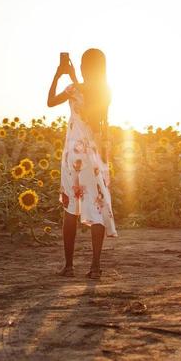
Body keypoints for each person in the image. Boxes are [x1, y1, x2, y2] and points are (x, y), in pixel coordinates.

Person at [47, 49, 116, 278]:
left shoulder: (77, 88)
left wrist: (62, 76)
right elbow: (100, 125)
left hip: (73, 155)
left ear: (85, 67)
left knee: (70, 209)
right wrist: (64, 76)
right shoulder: (105, 92)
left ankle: (69, 267)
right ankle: (95, 267)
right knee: (97, 206)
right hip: (93, 155)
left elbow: (52, 102)